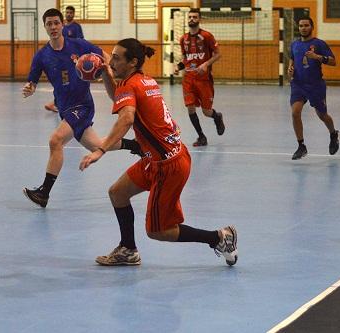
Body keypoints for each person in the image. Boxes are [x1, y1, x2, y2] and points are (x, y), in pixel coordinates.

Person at [79, 38, 238, 267]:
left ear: (132, 62)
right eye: (110, 56)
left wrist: (101, 150)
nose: (110, 61)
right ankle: (128, 250)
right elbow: (119, 98)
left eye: (116, 57)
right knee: (118, 193)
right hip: (162, 157)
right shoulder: (143, 80)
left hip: (168, 166)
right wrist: (105, 73)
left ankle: (219, 238)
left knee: (159, 231)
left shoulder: (130, 85)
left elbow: (126, 117)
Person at [22, 8, 140, 208]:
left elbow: (105, 57)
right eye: (49, 24)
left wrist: (110, 70)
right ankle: (136, 146)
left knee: (56, 140)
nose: (53, 27)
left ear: (62, 25)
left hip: (82, 105)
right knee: (96, 145)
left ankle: (44, 193)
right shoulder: (41, 56)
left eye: (56, 23)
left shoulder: (78, 44)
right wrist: (29, 88)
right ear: (45, 27)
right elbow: (31, 81)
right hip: (65, 107)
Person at [288, 17, 339, 160]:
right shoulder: (294, 44)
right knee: (295, 112)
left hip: (315, 85)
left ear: (312, 27)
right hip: (298, 84)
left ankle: (333, 134)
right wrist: (289, 69)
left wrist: (317, 57)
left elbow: (334, 61)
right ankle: (301, 146)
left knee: (322, 115)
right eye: (300, 25)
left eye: (306, 25)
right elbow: (292, 59)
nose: (303, 28)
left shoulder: (319, 44)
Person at [174, 8, 225, 147]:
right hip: (188, 80)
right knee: (190, 108)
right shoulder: (183, 39)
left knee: (206, 112)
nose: (191, 19)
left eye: (194, 17)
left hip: (204, 79)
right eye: (190, 17)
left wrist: (206, 65)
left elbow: (218, 54)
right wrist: (178, 67)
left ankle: (217, 117)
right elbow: (186, 59)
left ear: (199, 19)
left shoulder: (207, 36)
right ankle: (201, 136)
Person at [44, 6, 86, 113]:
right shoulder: (61, 27)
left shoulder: (76, 27)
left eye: (70, 13)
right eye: (67, 12)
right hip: (61, 61)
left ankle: (58, 103)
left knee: (71, 82)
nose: (68, 14)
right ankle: (57, 103)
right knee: (64, 82)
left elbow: (80, 43)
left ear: (73, 14)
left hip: (73, 60)